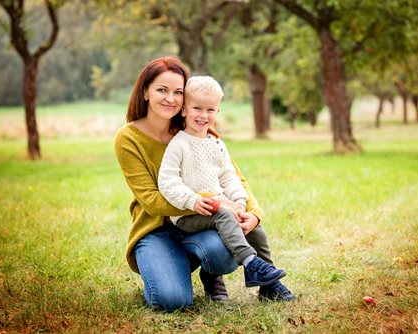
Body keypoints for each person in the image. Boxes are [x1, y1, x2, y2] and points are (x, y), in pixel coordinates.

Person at [114, 56, 295, 312]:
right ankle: (166, 267)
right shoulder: (128, 138)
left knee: (222, 253)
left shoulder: (197, 128)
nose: (171, 99)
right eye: (161, 90)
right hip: (158, 228)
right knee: (172, 301)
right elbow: (151, 200)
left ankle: (240, 278)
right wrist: (213, 201)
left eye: (178, 92)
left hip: (204, 221)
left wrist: (252, 213)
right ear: (145, 91)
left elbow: (232, 175)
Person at [158, 75, 287, 289]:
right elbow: (167, 182)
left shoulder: (216, 143)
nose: (203, 115)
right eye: (197, 108)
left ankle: (270, 285)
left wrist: (240, 203)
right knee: (223, 214)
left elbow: (229, 176)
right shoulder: (178, 144)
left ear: (218, 112)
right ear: (184, 110)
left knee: (255, 229)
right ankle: (250, 263)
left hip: (219, 208)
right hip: (188, 215)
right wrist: (192, 201)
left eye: (210, 110)